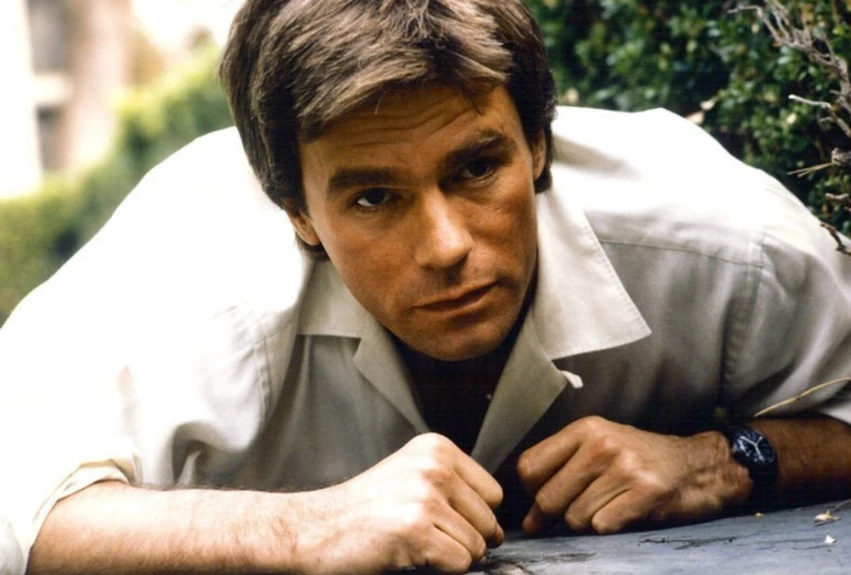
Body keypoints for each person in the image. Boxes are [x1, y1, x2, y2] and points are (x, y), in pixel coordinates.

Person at [3, 0, 851, 573]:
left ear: (538, 145)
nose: (446, 247)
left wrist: (723, 461)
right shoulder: (190, 264)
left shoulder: (717, 236)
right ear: (295, 210)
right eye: (374, 197)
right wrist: (307, 528)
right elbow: (19, 500)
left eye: (476, 168)